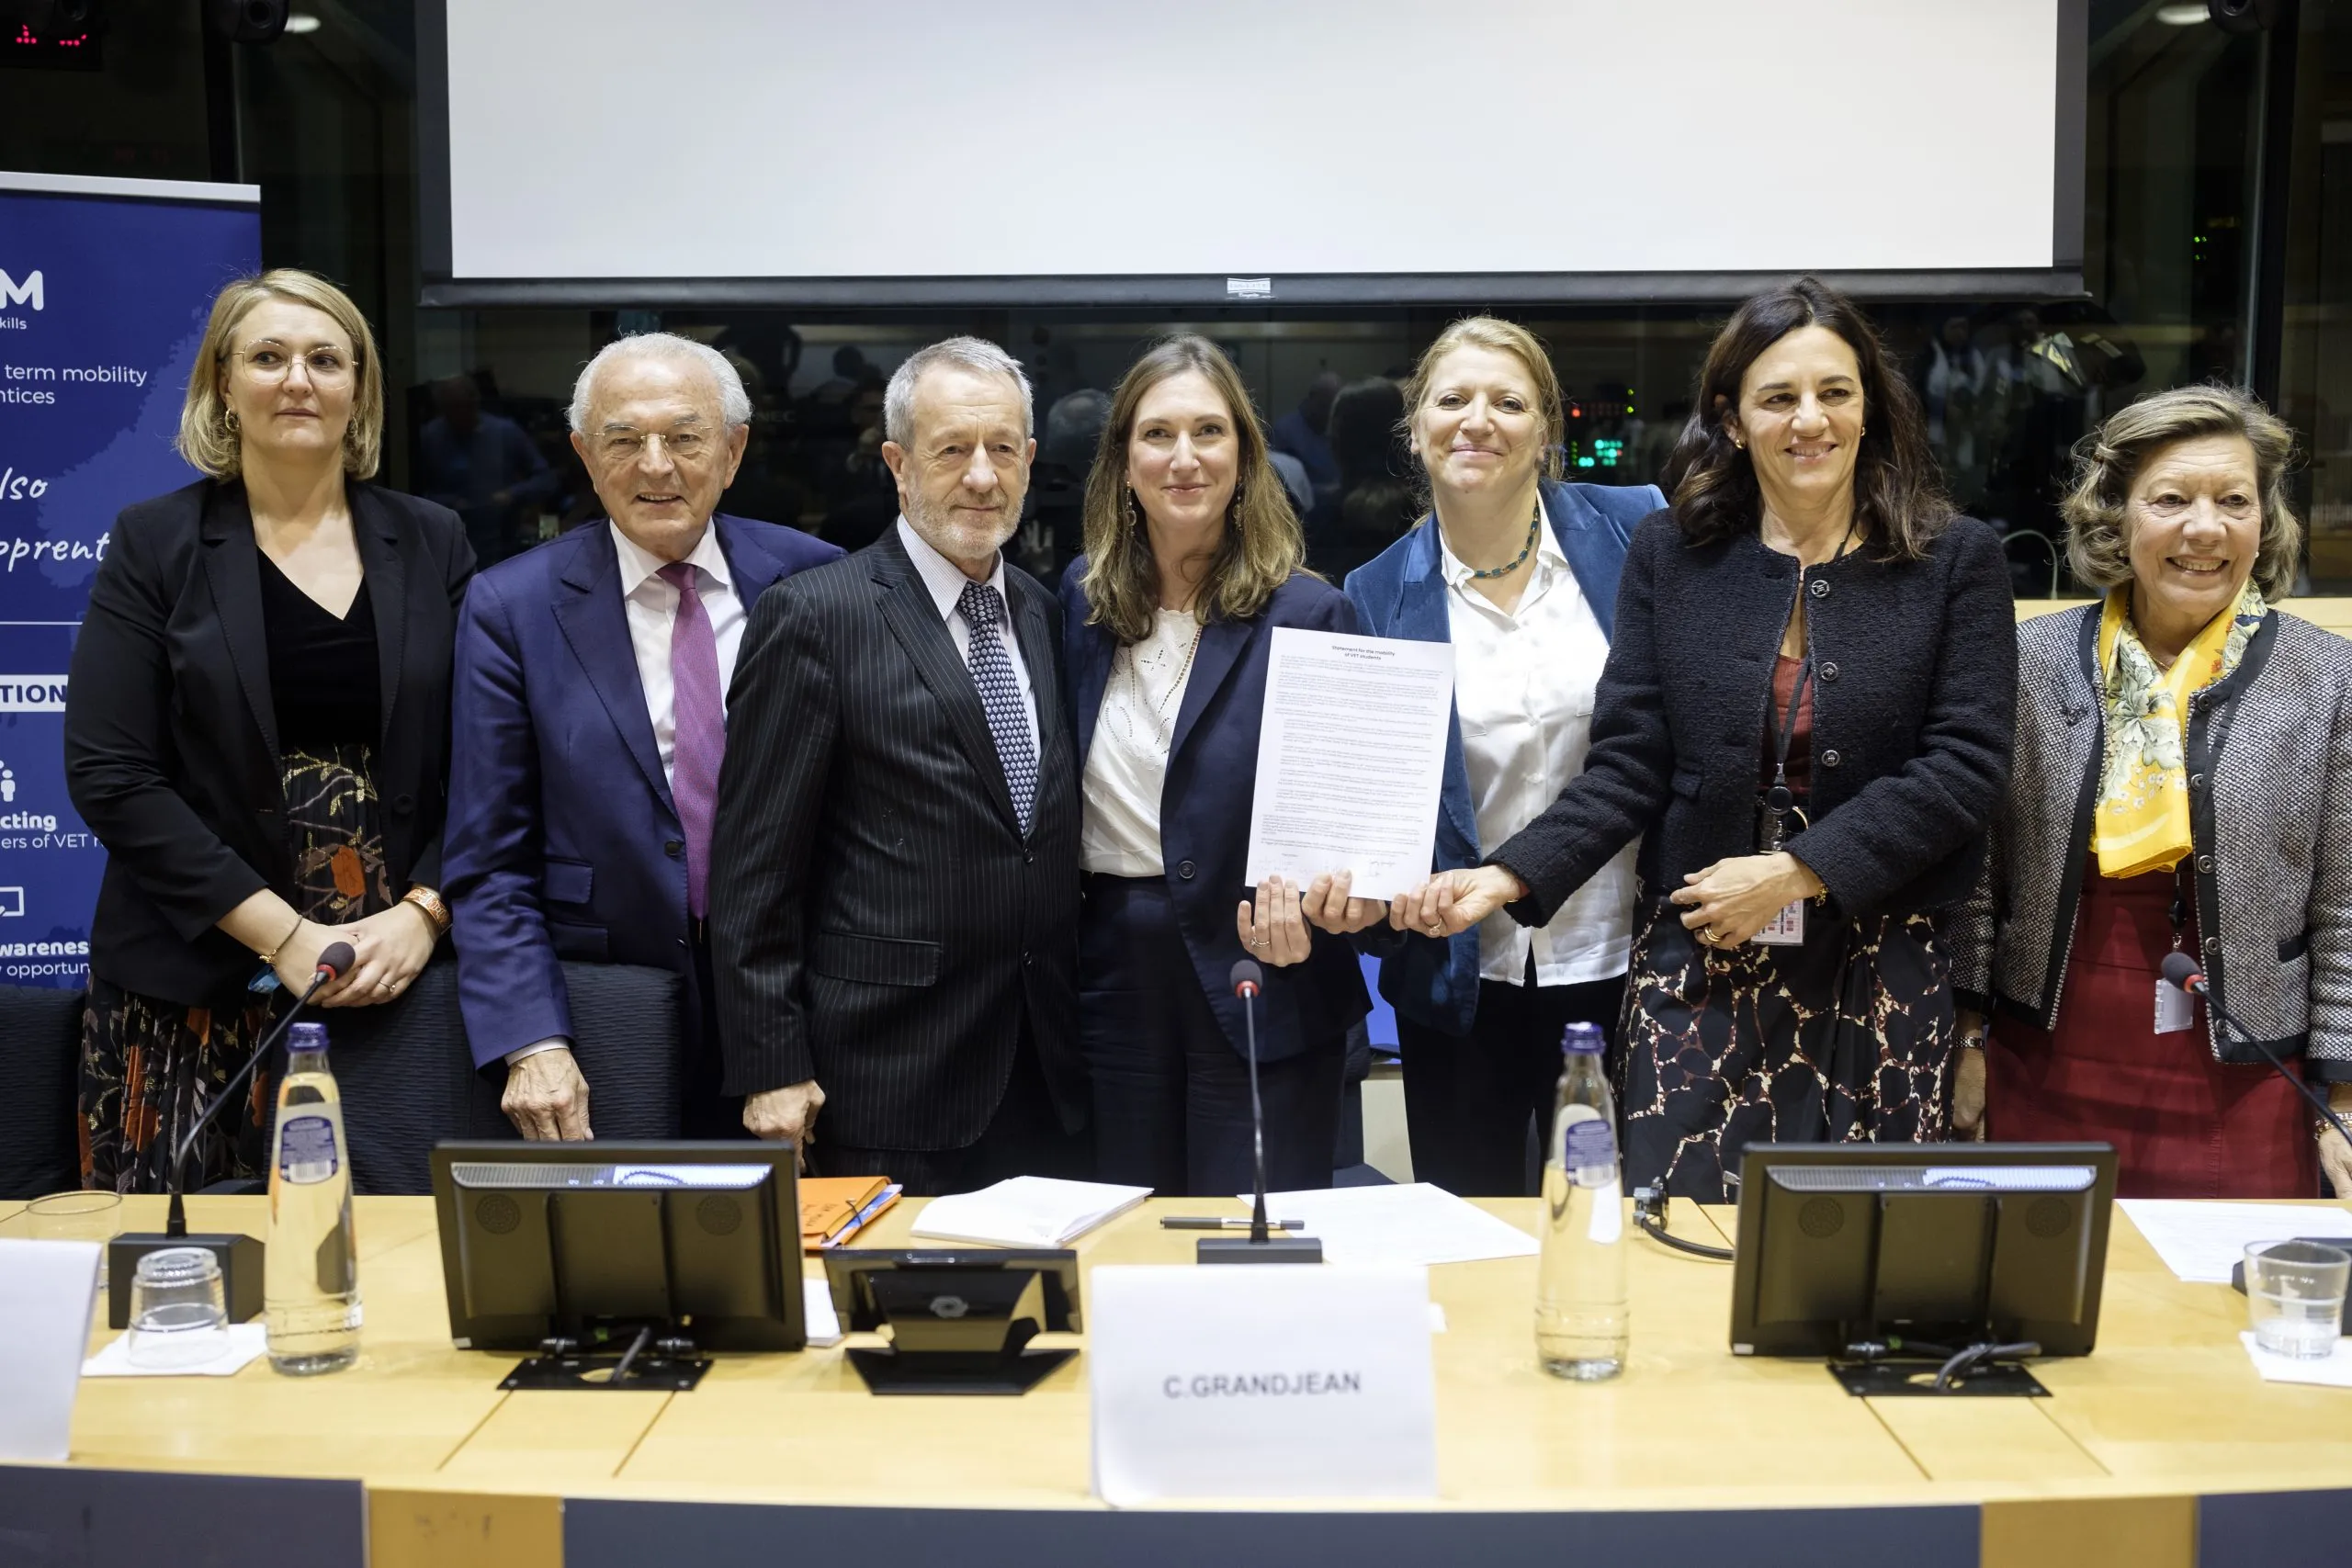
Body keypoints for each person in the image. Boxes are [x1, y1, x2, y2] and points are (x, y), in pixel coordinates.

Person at [1393, 276, 2016, 1201]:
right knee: (1668, 1240)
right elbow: (1631, 761)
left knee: (1848, 1253)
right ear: (1733, 420)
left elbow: (1965, 769)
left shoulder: (1955, 559)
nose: (1809, 420)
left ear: (1869, 408)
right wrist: (1509, 875)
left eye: (1833, 393)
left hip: (1879, 968)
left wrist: (1796, 871)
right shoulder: (1670, 554)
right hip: (1699, 965)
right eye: (1777, 397)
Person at [65, 269, 473, 1191]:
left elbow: (492, 760)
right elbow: (111, 774)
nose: (299, 379)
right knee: (175, 1271)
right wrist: (282, 938)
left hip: (392, 975)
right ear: (221, 384)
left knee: (396, 1263)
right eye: (269, 357)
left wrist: (424, 909)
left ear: (360, 388)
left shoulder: (435, 538)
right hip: (192, 982)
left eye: (327, 359)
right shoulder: (154, 543)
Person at [1951, 386, 2352, 1198]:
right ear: (2117, 516)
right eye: (2171, 500)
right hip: (2044, 1056)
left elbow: (2345, 905)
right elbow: (1976, 881)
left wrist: (2343, 1092)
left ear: (2263, 521)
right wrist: (1965, 1039)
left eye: (2234, 501)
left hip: (2248, 1071)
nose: (2205, 528)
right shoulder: (2031, 662)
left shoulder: (2328, 678)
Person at [709, 337, 1089, 1194]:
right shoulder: (815, 616)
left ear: (1029, 460)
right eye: (952, 449)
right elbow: (752, 872)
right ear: (897, 464)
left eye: (1002, 449)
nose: (982, 476)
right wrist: (772, 1062)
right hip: (887, 1073)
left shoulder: (1041, 610)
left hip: (1048, 1073)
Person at [441, 333, 841, 1142]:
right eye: (624, 440)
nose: (655, 465)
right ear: (586, 458)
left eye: (685, 438)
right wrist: (532, 1038)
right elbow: (488, 859)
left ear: (733, 452)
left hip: (807, 1007)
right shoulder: (511, 609)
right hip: (604, 1013)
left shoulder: (818, 579)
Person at [1340, 317, 1663, 1196]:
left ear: (1546, 428)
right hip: (1459, 979)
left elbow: (1669, 740)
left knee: (1618, 1225)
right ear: (1418, 430)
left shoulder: (1638, 532)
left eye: (1508, 401)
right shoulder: (1371, 594)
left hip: (1626, 961)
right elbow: (1378, 801)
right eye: (1453, 399)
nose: (1477, 420)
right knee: (1471, 1229)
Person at [1060, 335, 1374, 1196]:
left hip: (1267, 963)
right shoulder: (1080, 601)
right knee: (1128, 1240)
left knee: (1257, 1242)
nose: (1184, 457)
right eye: (1158, 434)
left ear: (1245, 454)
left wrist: (1318, 898)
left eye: (1209, 431)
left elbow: (1353, 819)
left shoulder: (1312, 611)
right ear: (1124, 461)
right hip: (1113, 976)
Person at [415, 373, 560, 566]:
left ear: (475, 402)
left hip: (502, 540)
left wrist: (512, 494)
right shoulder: (430, 437)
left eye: (464, 405)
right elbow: (413, 491)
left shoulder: (505, 432)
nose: (459, 414)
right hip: (446, 542)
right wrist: (448, 502)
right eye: (451, 408)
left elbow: (546, 480)